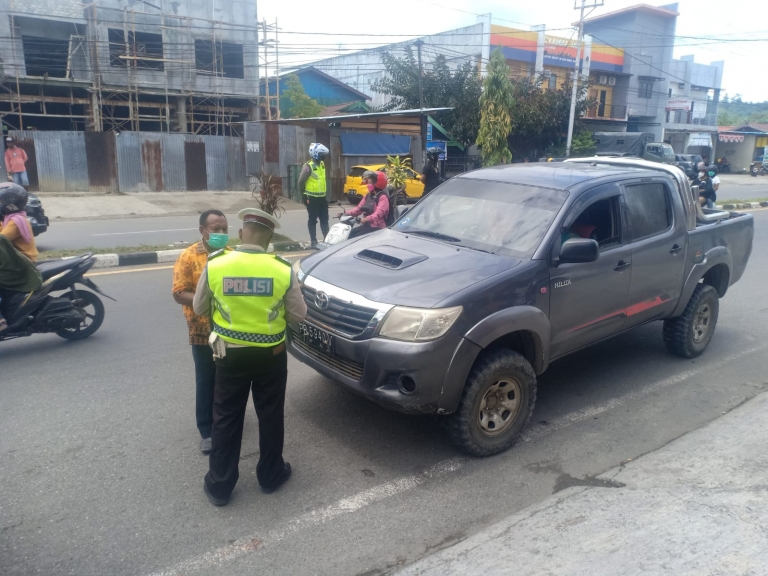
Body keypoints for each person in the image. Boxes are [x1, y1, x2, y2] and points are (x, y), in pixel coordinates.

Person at [193, 208, 307, 506]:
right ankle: (270, 476)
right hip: (271, 356)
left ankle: (220, 485)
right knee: (270, 416)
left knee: (226, 418)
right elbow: (298, 315)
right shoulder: (281, 268)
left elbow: (200, 308)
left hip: (229, 356)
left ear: (240, 234)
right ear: (269, 240)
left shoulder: (216, 264)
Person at [172, 209, 231, 455]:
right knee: (206, 379)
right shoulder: (188, 257)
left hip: (229, 331)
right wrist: (205, 301)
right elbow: (178, 292)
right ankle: (207, 430)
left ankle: (226, 421)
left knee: (227, 379)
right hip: (202, 330)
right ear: (203, 231)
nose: (220, 234)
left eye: (224, 230)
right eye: (215, 230)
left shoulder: (231, 256)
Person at [340, 170, 390, 239]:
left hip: (378, 228)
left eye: (370, 183)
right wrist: (346, 213)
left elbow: (379, 213)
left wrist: (367, 219)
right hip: (367, 226)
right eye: (368, 182)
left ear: (377, 183)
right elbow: (358, 209)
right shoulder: (368, 196)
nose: (368, 185)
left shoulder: (383, 197)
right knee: (348, 235)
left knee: (356, 238)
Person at [298, 143, 330, 248]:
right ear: (315, 154)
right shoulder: (308, 166)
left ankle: (327, 239)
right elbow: (300, 182)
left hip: (322, 197)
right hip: (311, 198)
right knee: (313, 219)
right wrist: (303, 194)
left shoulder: (322, 164)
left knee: (324, 218)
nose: (323, 156)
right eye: (321, 154)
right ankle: (313, 241)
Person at [0, 182, 37, 262]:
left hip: (24, 262)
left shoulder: (16, 222)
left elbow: (2, 239)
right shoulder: (7, 218)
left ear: (10, 204)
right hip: (16, 259)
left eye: (1, 201)